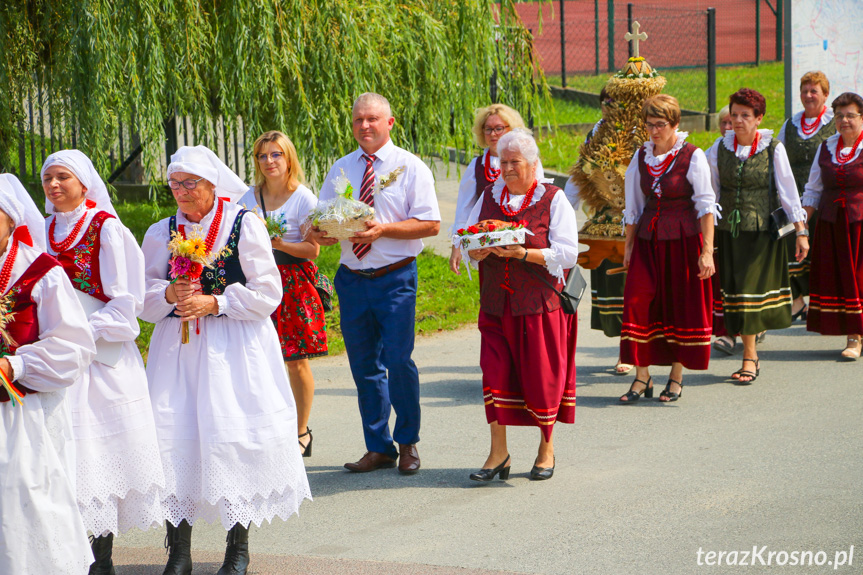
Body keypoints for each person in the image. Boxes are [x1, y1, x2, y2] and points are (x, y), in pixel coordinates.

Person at [141, 145, 311, 575]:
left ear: (212, 185)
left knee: (230, 439)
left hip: (233, 350)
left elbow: (268, 292)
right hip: (177, 352)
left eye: (189, 183)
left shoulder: (242, 224)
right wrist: (167, 294)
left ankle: (238, 549)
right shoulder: (162, 231)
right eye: (174, 183)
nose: (180, 191)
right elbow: (139, 299)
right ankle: (178, 551)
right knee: (174, 437)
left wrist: (215, 302)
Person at [41, 150, 166, 574]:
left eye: (63, 177)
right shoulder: (41, 230)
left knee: (97, 454)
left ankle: (102, 558)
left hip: (100, 361)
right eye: (48, 178)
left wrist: (75, 329)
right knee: (63, 455)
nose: (54, 185)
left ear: (83, 182)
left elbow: (125, 306)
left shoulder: (106, 230)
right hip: (55, 359)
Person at [309, 93, 440, 475]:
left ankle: (408, 442)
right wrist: (324, 232)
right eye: (358, 120)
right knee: (364, 366)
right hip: (352, 279)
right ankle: (378, 446)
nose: (364, 126)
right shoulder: (342, 168)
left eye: (372, 119)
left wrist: (383, 231)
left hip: (395, 276)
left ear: (390, 123)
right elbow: (322, 219)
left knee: (398, 362)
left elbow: (430, 224)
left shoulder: (410, 167)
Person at [465, 128, 579, 481]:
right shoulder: (490, 195)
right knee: (494, 374)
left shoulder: (553, 198)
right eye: (503, 161)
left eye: (515, 162)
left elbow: (569, 252)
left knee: (541, 379)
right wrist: (477, 250)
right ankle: (498, 452)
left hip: (538, 305)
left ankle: (547, 449)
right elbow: (469, 237)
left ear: (533, 164)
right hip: (497, 304)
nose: (508, 168)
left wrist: (524, 253)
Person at [0, 173, 96, 575]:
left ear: (10, 220)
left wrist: (14, 364)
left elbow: (75, 347)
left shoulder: (41, 272)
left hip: (23, 416)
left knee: (24, 506)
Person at [618, 95, 717, 404]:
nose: (654, 131)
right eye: (649, 125)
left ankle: (676, 376)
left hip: (683, 242)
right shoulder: (641, 157)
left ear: (676, 124)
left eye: (660, 125)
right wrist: (629, 246)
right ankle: (642, 376)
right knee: (637, 302)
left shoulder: (692, 156)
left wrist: (707, 252)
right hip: (648, 242)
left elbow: (705, 206)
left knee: (678, 307)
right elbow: (633, 205)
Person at [707, 88, 809, 383]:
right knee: (734, 292)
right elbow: (710, 194)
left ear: (758, 118)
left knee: (749, 292)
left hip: (762, 234)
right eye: (734, 115)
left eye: (745, 116)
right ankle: (743, 347)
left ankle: (750, 357)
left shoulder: (772, 148)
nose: (737, 121)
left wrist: (801, 233)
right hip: (728, 233)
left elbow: (789, 194)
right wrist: (708, 237)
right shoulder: (718, 148)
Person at [240, 131, 326, 458]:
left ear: (288, 158)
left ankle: (301, 430)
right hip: (256, 280)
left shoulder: (303, 198)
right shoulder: (248, 197)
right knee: (257, 358)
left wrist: (276, 243)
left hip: (292, 280)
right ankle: (267, 426)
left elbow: (313, 249)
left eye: (276, 155)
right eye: (262, 156)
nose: (269, 162)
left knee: (295, 359)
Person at [565, 88, 632, 375]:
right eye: (606, 102)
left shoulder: (640, 132)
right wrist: (565, 214)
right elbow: (578, 177)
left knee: (636, 287)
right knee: (613, 287)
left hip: (637, 220)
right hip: (604, 222)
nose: (611, 107)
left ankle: (638, 348)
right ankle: (623, 349)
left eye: (617, 102)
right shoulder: (594, 135)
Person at [802, 91, 863, 359]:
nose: (845, 121)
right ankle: (853, 332)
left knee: (859, 278)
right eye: (839, 116)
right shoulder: (826, 147)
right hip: (831, 224)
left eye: (851, 115)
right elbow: (813, 190)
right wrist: (801, 228)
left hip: (860, 224)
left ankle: (855, 337)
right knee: (840, 280)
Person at [449, 104, 544, 273]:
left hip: (525, 240)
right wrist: (458, 245)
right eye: (488, 129)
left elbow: (540, 197)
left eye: (499, 128)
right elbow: (464, 210)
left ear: (512, 129)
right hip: (489, 246)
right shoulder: (476, 166)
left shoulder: (529, 161)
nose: (493, 134)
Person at [779, 71, 835, 321]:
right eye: (805, 91)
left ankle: (821, 305)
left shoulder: (834, 124)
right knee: (782, 245)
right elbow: (777, 157)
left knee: (820, 252)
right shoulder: (790, 124)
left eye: (814, 91)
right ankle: (797, 301)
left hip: (823, 200)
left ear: (825, 94)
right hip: (792, 199)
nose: (809, 95)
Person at [711, 106, 737, 355]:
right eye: (724, 123)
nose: (728, 128)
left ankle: (752, 327)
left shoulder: (761, 147)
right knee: (723, 279)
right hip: (721, 226)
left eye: (733, 122)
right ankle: (726, 332)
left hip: (751, 224)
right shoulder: (713, 151)